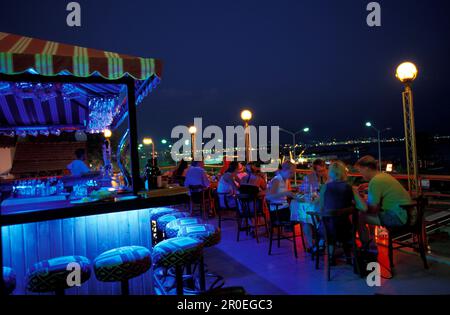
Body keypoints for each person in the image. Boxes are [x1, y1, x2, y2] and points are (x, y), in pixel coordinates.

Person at [355, 155, 412, 249]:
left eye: (360, 170)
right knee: (367, 214)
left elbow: (373, 209)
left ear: (366, 168)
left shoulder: (375, 181)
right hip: (407, 214)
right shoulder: (383, 176)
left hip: (396, 217)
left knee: (360, 217)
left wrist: (358, 199)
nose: (360, 173)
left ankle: (366, 247)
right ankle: (372, 241)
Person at [319, 161, 366, 264]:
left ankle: (330, 257)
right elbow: (364, 207)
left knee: (329, 224)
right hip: (346, 229)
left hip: (326, 230)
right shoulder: (350, 188)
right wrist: (353, 205)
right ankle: (350, 253)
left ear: (330, 173)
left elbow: (320, 208)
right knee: (346, 223)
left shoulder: (324, 188)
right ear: (344, 173)